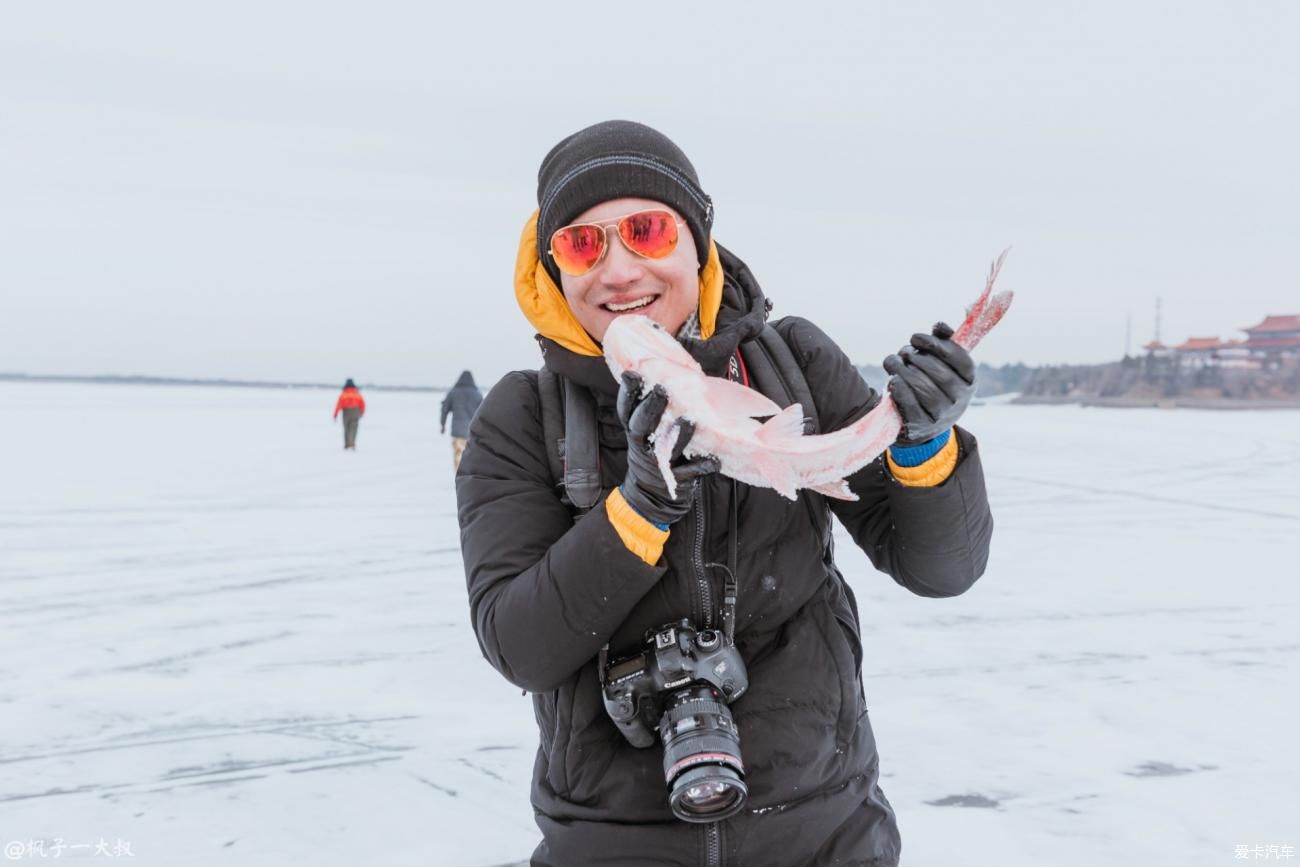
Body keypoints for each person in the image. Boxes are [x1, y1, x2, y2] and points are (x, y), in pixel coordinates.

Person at [455, 120, 993, 866]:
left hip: (826, 832)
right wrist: (640, 510)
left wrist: (925, 444)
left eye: (646, 230)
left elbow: (941, 567)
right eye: (583, 243)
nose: (617, 271)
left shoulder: (790, 361)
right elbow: (520, 643)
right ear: (552, 269)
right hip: (610, 847)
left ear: (696, 242)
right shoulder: (523, 415)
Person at [440, 370, 483, 470]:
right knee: (469, 456)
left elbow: (444, 409)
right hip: (472, 431)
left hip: (457, 431)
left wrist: (443, 425)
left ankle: (459, 477)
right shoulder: (477, 394)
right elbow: (483, 414)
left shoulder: (453, 392)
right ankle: (467, 477)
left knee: (458, 454)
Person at [332, 378, 365, 450]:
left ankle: (347, 444)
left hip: (346, 412)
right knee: (353, 428)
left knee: (346, 428)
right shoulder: (357, 393)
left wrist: (335, 414)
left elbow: (339, 405)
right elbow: (362, 404)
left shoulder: (344, 393)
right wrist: (362, 412)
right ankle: (352, 443)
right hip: (355, 411)